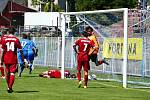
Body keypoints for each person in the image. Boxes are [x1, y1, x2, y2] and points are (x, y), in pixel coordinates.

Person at [1, 27, 25, 93]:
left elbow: (2, 51)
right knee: (12, 73)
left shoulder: (4, 40)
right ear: (14, 32)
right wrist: (23, 59)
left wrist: (1, 59)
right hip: (13, 59)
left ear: (8, 32)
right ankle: (10, 87)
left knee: (7, 74)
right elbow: (20, 50)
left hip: (6, 58)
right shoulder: (16, 39)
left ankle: (9, 86)